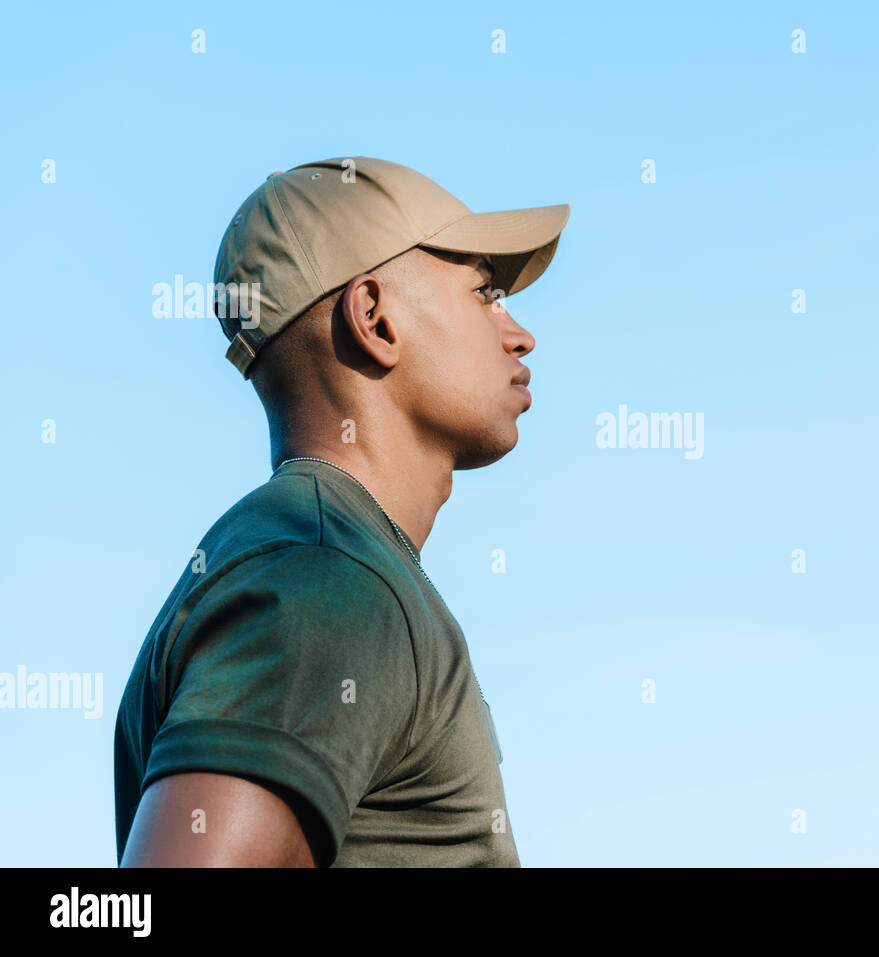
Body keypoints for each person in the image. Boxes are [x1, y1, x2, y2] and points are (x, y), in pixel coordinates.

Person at [113, 157, 569, 866]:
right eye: (485, 292)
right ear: (375, 318)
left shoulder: (324, 557)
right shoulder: (326, 578)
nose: (519, 334)